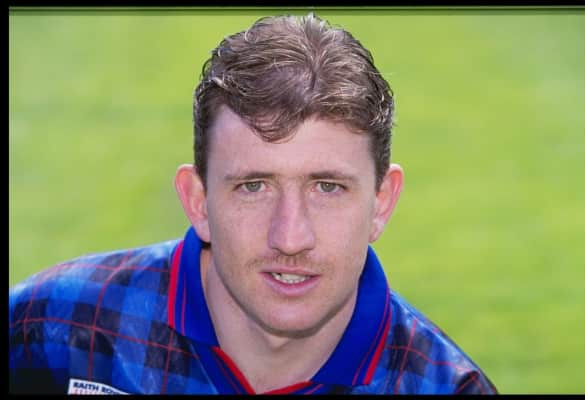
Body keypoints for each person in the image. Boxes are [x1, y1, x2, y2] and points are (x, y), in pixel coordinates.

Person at [9, 13, 497, 395]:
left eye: (327, 187)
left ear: (381, 202)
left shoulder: (443, 386)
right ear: (198, 200)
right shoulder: (49, 328)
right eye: (254, 186)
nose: (290, 238)